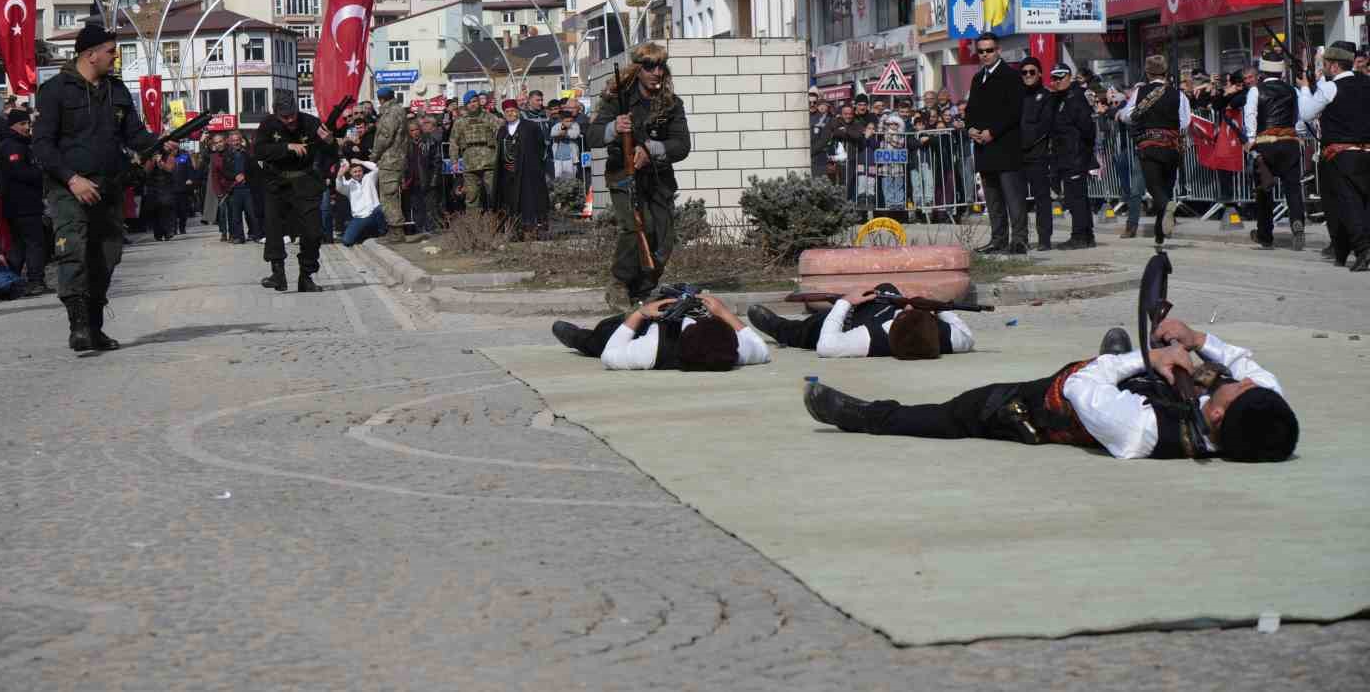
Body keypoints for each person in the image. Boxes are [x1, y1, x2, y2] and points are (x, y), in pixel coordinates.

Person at [803, 315, 1298, 463]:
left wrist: (1148, 358)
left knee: (958, 413)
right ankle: (1118, 360)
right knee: (1117, 368)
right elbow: (1252, 372)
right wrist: (1195, 340)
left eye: (1236, 392)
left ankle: (868, 417)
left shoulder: (1142, 431)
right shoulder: (1264, 412)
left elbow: (1081, 386)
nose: (1243, 382)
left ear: (1216, 417)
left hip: (1043, 409)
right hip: (1131, 389)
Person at [31, 21, 157, 356]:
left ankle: (95, 326)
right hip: (68, 187)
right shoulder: (55, 91)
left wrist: (159, 144)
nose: (115, 57)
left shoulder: (117, 91)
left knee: (106, 256)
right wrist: (72, 179)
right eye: (111, 52)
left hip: (109, 186)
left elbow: (134, 135)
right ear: (90, 54)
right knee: (74, 249)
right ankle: (79, 327)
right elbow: (42, 146)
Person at [589, 42, 692, 311]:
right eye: (649, 66)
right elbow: (592, 135)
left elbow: (682, 145)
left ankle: (644, 289)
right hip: (623, 175)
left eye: (660, 66)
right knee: (636, 228)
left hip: (658, 178)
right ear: (638, 69)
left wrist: (651, 150)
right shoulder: (617, 99)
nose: (656, 72)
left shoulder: (671, 104)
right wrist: (613, 127)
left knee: (663, 238)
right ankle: (619, 284)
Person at [550, 292, 770, 371]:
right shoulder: (733, 352)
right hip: (664, 332)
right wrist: (723, 311)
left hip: (645, 331)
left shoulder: (650, 349)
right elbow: (761, 348)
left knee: (601, 338)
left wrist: (640, 314)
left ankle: (577, 338)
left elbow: (609, 355)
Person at [747, 285, 974, 358]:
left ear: (894, 323)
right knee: (887, 287)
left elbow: (826, 346)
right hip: (883, 302)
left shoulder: (870, 339)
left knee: (807, 329)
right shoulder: (950, 338)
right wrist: (936, 305)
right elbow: (967, 336)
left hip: (851, 321)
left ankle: (777, 327)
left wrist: (845, 303)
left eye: (910, 309)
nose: (911, 306)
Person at [252, 95, 335, 292]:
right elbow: (259, 151)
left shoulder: (311, 122)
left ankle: (306, 276)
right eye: (285, 117)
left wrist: (330, 141)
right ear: (276, 114)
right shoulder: (267, 124)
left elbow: (331, 153)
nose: (290, 120)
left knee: (314, 232)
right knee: (273, 228)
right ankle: (278, 274)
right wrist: (287, 147)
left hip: (305, 181)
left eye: (292, 115)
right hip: (277, 182)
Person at [1244, 49, 1318, 252]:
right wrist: (1297, 135)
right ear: (1281, 71)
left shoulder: (1256, 91)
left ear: (1262, 71)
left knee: (1264, 190)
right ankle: (1297, 222)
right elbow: (1300, 118)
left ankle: (1265, 235)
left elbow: (1250, 115)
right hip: (1289, 142)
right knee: (1293, 188)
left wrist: (1251, 140)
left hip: (1265, 143)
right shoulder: (1292, 91)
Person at [1116, 54, 1190, 246]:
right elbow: (1185, 121)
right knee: (1165, 189)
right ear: (1165, 72)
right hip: (1172, 147)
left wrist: (1122, 114)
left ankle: (1166, 207)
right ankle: (1159, 234)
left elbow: (1128, 116)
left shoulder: (1140, 93)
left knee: (1154, 188)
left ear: (1147, 73)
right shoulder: (1179, 94)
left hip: (1149, 146)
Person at [964, 33, 1027, 254]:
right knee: (992, 199)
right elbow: (970, 109)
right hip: (984, 149)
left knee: (1013, 198)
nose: (985, 55)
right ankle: (998, 239)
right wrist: (970, 128)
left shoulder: (1011, 76)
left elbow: (1014, 111)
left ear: (998, 50)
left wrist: (993, 131)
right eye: (981, 51)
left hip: (1005, 147)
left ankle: (1019, 240)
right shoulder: (977, 78)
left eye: (989, 50)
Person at [1312, 41, 1370, 271]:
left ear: (1334, 66)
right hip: (1366, 151)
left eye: (1326, 64)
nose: (1324, 68)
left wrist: (1306, 88)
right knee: (1364, 204)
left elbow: (1306, 113)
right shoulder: (1366, 83)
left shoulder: (1330, 87)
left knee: (1348, 204)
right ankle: (1347, 250)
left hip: (1342, 155)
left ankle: (1362, 250)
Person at [0, 109, 50, 294]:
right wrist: (41, 173)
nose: (27, 127)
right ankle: (35, 280)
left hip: (22, 203)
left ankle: (11, 281)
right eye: (22, 124)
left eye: (28, 123)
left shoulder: (20, 144)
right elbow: (19, 171)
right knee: (34, 242)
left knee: (19, 244)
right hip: (22, 204)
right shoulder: (13, 146)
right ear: (12, 125)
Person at [1047, 64, 1097, 250]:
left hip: (1075, 155)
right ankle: (1087, 235)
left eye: (1061, 77)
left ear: (1069, 77)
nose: (1057, 81)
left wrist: (1082, 152)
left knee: (1076, 197)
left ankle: (1079, 236)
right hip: (1065, 155)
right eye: (1054, 78)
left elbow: (1088, 128)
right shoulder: (1061, 98)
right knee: (1077, 196)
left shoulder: (1075, 97)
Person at [1015, 56, 1056, 251]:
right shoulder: (1016, 96)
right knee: (1017, 200)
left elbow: (1045, 125)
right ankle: (1020, 239)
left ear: (1039, 73)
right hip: (1017, 155)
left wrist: (1027, 142)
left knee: (1042, 199)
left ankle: (1044, 239)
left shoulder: (1046, 96)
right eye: (1024, 72)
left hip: (1037, 155)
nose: (1028, 75)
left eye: (1032, 71)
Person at [492, 98, 550, 234]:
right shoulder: (502, 130)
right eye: (507, 111)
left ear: (518, 111)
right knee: (510, 201)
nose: (510, 113)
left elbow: (541, 147)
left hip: (527, 172)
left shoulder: (530, 127)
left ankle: (531, 227)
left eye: (513, 110)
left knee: (528, 200)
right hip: (508, 172)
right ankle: (514, 229)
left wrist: (535, 165)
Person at [370, 87, 417, 243]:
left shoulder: (391, 112)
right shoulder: (398, 110)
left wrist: (374, 155)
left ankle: (396, 232)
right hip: (397, 159)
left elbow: (385, 136)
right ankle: (394, 231)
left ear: (382, 99)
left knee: (388, 197)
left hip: (390, 159)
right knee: (391, 195)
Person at [451, 90, 500, 212]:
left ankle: (497, 221)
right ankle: (474, 223)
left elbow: (500, 137)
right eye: (469, 102)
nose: (472, 104)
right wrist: (454, 161)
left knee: (494, 194)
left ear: (479, 102)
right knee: (471, 197)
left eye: (474, 101)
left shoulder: (490, 118)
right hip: (470, 164)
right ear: (465, 105)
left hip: (490, 163)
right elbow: (453, 142)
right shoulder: (460, 122)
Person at [336, 158, 388, 246]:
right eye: (355, 172)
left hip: (373, 214)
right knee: (347, 241)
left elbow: (377, 168)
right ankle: (364, 234)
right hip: (359, 218)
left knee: (380, 209)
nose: (358, 173)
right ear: (350, 173)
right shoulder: (348, 185)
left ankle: (382, 233)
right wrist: (340, 174)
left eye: (359, 171)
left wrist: (361, 162)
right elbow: (339, 187)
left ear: (363, 171)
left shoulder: (369, 178)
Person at [549, 106, 583, 181]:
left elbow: (574, 135)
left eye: (571, 121)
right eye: (567, 121)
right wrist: (563, 128)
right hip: (558, 158)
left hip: (571, 158)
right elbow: (553, 133)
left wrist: (564, 132)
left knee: (571, 179)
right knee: (558, 179)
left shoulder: (575, 125)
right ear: (561, 120)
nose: (569, 123)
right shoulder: (557, 126)